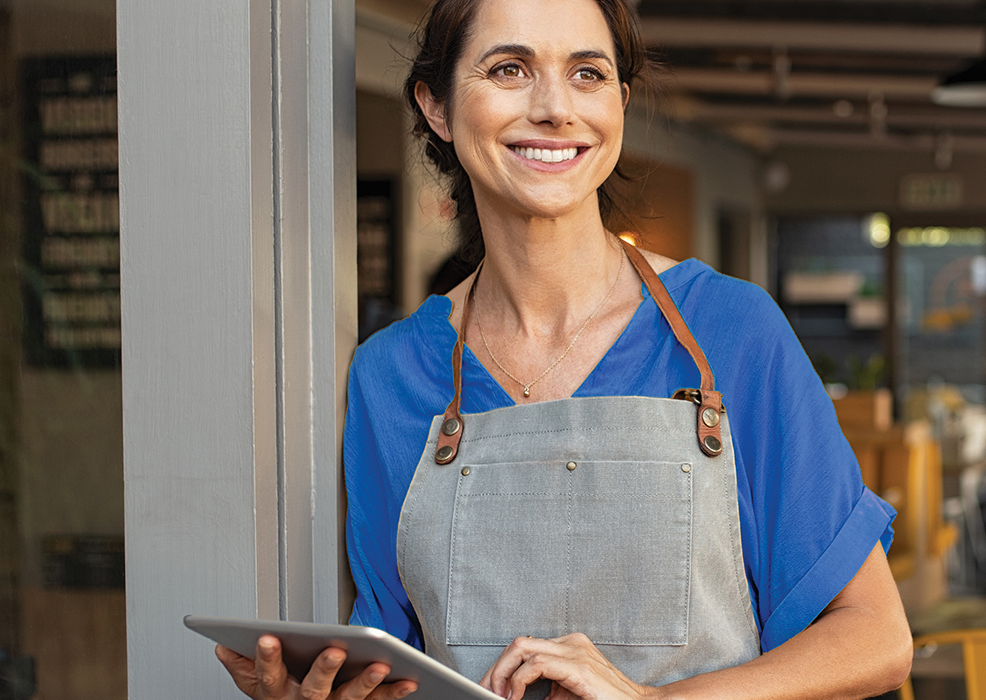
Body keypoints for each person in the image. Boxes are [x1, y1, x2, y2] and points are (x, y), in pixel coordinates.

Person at [213, 1, 912, 698]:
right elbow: (398, 672)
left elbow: (874, 638)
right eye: (509, 69)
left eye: (587, 74)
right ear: (437, 107)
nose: (554, 107)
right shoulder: (390, 373)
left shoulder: (730, 330)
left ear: (619, 104)